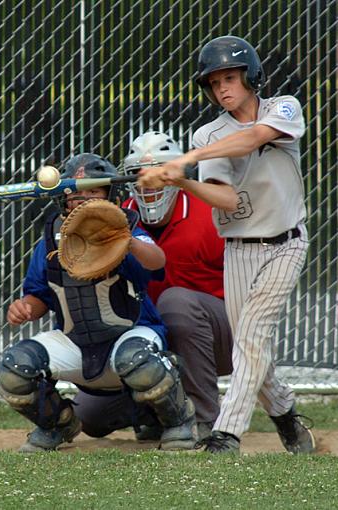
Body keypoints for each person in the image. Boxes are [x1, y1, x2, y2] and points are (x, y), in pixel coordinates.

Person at [137, 36, 316, 454]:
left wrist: (184, 161)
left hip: (286, 243)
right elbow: (227, 199)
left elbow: (253, 138)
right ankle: (286, 415)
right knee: (248, 343)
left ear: (251, 76)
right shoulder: (208, 133)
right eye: (215, 83)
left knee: (251, 336)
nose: (223, 88)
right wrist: (180, 180)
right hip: (238, 248)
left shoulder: (283, 107)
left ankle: (226, 434)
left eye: (230, 77)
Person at [0, 153, 198, 452]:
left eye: (94, 192)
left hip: (131, 335)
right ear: (63, 199)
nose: (84, 199)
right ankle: (58, 425)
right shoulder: (51, 239)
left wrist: (125, 239)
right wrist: (25, 307)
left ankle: (178, 422)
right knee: (15, 368)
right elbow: (39, 295)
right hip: (75, 342)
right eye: (76, 193)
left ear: (109, 195)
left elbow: (157, 262)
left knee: (138, 362)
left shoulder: (127, 227)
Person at [73, 132, 233, 442]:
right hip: (150, 339)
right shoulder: (119, 216)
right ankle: (156, 413)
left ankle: (203, 418)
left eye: (160, 171)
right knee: (89, 417)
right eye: (139, 174)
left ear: (176, 172)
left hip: (220, 338)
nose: (150, 182)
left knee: (176, 303)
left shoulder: (206, 211)